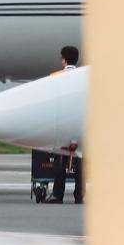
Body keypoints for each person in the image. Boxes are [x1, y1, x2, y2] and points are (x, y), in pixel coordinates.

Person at [48, 45, 83, 204]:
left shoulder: (55, 77)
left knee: (61, 160)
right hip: (79, 123)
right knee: (80, 159)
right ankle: (79, 195)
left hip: (62, 124)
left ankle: (58, 194)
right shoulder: (83, 77)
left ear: (64, 60)